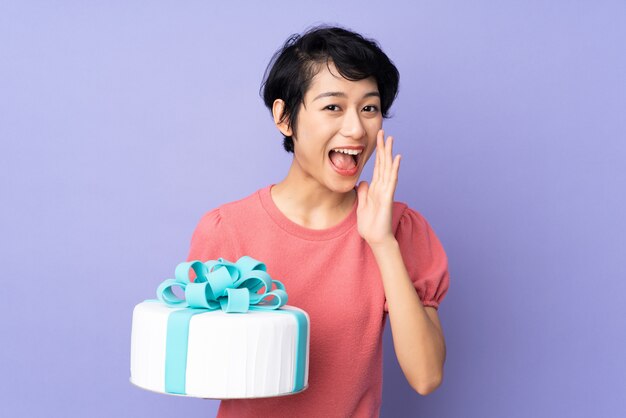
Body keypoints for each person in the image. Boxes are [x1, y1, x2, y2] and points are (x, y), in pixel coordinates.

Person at [187, 24, 450, 418]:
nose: (356, 129)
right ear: (284, 117)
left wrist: (381, 242)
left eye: (369, 108)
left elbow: (426, 376)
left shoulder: (400, 229)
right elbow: (204, 376)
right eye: (333, 106)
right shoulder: (227, 229)